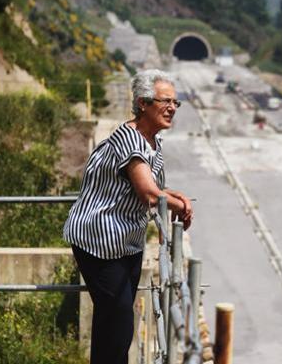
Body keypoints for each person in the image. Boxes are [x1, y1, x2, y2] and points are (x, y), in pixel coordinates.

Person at [63, 69, 193, 364]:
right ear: (143, 103)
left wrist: (178, 197)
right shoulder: (129, 140)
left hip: (127, 243)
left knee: (114, 323)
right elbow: (148, 193)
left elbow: (155, 187)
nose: (172, 108)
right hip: (99, 241)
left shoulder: (152, 141)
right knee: (119, 322)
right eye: (165, 101)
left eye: (176, 102)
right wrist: (177, 205)